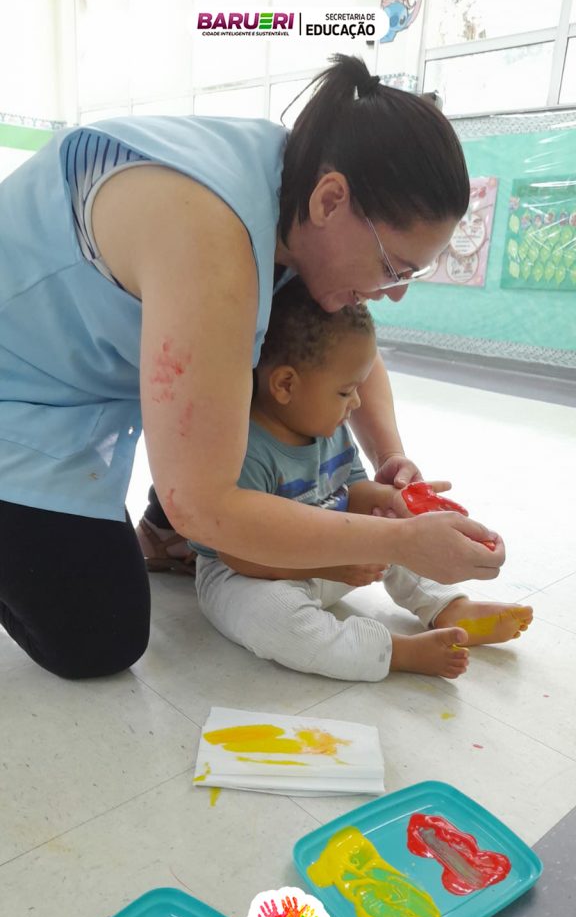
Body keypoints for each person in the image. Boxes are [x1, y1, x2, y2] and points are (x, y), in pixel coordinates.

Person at [0, 54, 505, 680]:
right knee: (99, 638)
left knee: (251, 387)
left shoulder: (298, 188)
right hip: (21, 396)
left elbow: (349, 348)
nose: (396, 292)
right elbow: (202, 503)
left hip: (99, 375)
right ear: (331, 200)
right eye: (391, 267)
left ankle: (160, 532)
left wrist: (390, 457)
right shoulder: (209, 243)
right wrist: (398, 542)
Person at [192, 280, 532, 682]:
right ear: (285, 385)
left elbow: (353, 493)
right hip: (247, 575)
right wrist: (333, 565)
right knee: (272, 617)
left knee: (394, 529)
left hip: (333, 562)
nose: (356, 403)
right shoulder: (247, 448)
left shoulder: (328, 427)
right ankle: (392, 651)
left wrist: (398, 502)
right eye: (345, 391)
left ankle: (446, 606)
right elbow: (240, 554)